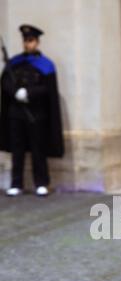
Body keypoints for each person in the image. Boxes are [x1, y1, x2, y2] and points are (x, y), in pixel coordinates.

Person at [0, 24, 64, 196]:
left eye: (31, 40)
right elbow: (5, 83)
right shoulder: (15, 63)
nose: (27, 44)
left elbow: (47, 89)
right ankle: (16, 183)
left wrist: (29, 93)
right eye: (25, 41)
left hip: (37, 114)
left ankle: (41, 182)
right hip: (16, 113)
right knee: (17, 149)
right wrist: (15, 92)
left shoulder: (45, 65)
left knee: (38, 149)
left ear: (37, 42)